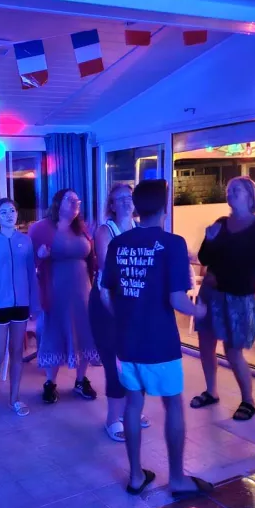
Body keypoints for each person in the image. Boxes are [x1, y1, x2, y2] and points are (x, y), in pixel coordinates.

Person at [101, 180, 212, 497]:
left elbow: (107, 293)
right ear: (165, 207)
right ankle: (177, 479)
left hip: (127, 341)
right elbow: (177, 300)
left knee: (133, 404)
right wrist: (200, 311)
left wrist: (125, 319)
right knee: (172, 403)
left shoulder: (118, 243)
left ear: (136, 207)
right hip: (159, 343)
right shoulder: (172, 243)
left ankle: (136, 477)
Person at [190, 177, 255, 421]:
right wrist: (210, 239)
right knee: (206, 345)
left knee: (233, 351)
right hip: (211, 294)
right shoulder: (221, 223)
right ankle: (211, 391)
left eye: (237, 189)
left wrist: (219, 274)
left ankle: (248, 400)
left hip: (237, 295)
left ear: (250, 195)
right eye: (229, 189)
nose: (230, 192)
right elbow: (205, 257)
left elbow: (253, 261)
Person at [89, 184, 150, 441]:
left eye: (129, 197)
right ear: (111, 205)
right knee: (115, 362)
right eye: (119, 198)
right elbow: (108, 268)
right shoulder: (105, 231)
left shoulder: (141, 229)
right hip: (107, 304)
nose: (126, 201)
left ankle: (130, 411)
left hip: (135, 303)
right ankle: (112, 418)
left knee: (137, 359)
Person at [29, 189, 100, 404]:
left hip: (83, 291)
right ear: (58, 203)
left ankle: (80, 381)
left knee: (84, 334)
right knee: (55, 334)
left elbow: (91, 259)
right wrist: (40, 257)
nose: (75, 203)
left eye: (77, 200)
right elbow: (29, 262)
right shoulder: (41, 228)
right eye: (70, 199)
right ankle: (50, 383)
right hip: (56, 291)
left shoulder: (82, 228)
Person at [0, 198, 39, 420]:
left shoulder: (25, 241)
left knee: (16, 353)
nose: (9, 215)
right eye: (3, 212)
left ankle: (15, 398)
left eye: (12, 211)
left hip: (21, 305)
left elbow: (31, 274)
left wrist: (34, 304)